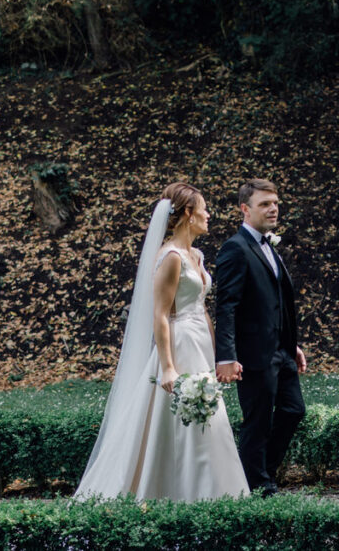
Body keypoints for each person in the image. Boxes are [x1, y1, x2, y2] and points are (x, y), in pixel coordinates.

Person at [74, 182, 249, 501]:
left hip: (200, 344)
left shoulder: (195, 254)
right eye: (203, 208)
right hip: (179, 344)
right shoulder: (170, 257)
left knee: (207, 417)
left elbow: (202, 307)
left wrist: (218, 352)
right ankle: (182, 491)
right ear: (187, 213)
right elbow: (160, 315)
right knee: (180, 419)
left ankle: (215, 493)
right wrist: (167, 367)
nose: (208, 214)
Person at [215, 179, 307, 497]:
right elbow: (226, 307)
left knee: (294, 410)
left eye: (275, 203)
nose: (273, 208)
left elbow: (274, 301)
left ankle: (256, 473)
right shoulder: (235, 249)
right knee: (257, 422)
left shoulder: (269, 246)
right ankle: (258, 486)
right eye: (264, 204)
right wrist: (226, 356)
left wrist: (290, 343)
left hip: (280, 351)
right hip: (253, 354)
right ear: (245, 209)